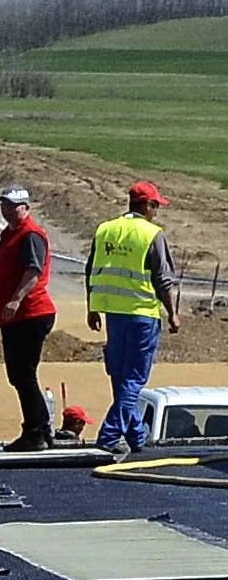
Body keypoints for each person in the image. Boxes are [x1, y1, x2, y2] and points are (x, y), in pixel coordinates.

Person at [87, 180, 180, 454]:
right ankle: (109, 435)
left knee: (120, 375)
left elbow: (92, 269)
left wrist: (91, 307)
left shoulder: (106, 230)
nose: (157, 212)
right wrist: (173, 313)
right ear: (147, 205)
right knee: (134, 379)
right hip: (141, 314)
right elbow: (163, 279)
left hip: (113, 313)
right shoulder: (152, 234)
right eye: (156, 206)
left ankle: (136, 434)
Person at [0, 185, 57, 452]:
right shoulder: (9, 234)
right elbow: (3, 274)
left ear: (26, 208)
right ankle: (41, 428)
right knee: (20, 375)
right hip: (13, 316)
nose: (7, 210)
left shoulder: (30, 235)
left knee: (23, 375)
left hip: (31, 313)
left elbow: (33, 271)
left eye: (13, 205)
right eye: (5, 205)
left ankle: (35, 432)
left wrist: (16, 299)